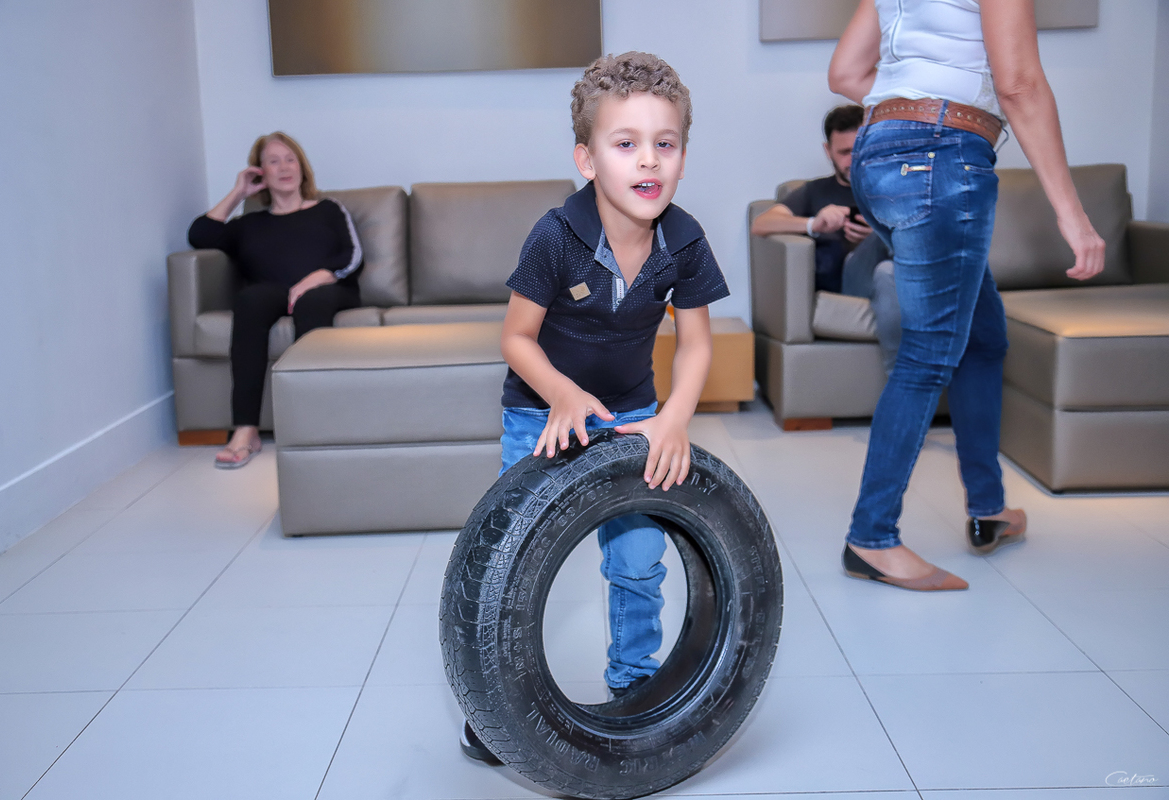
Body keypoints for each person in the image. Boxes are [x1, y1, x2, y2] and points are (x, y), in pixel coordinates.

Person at [460, 51, 730, 763]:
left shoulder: (685, 240)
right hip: (540, 415)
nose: (649, 160)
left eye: (665, 143)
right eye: (626, 143)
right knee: (513, 569)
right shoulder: (556, 235)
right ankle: (495, 704)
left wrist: (673, 418)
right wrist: (563, 393)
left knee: (639, 562)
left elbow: (697, 344)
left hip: (633, 416)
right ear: (587, 159)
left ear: (683, 155)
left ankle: (634, 683)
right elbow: (515, 339)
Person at [828, 0, 1105, 589]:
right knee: (928, 355)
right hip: (941, 155)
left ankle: (989, 508)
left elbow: (845, 73)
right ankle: (871, 537)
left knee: (982, 337)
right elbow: (1019, 85)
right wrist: (1073, 215)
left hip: (878, 154)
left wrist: (907, 106)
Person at [188, 132, 364, 468]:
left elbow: (352, 255)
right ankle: (246, 430)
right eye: (273, 161)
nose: (284, 167)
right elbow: (200, 234)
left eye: (290, 159)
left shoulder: (328, 209)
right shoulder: (249, 224)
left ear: (302, 168)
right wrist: (239, 193)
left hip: (327, 289)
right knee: (249, 300)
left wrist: (314, 279)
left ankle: (311, 427)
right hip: (272, 292)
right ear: (261, 174)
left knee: (311, 303)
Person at [751, 104, 900, 372]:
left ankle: (900, 378)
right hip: (847, 283)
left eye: (860, 150)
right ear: (828, 150)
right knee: (886, 242)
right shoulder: (815, 191)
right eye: (844, 152)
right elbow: (761, 224)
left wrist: (877, 231)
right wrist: (814, 224)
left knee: (887, 271)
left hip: (891, 276)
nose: (853, 160)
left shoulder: (889, 189)